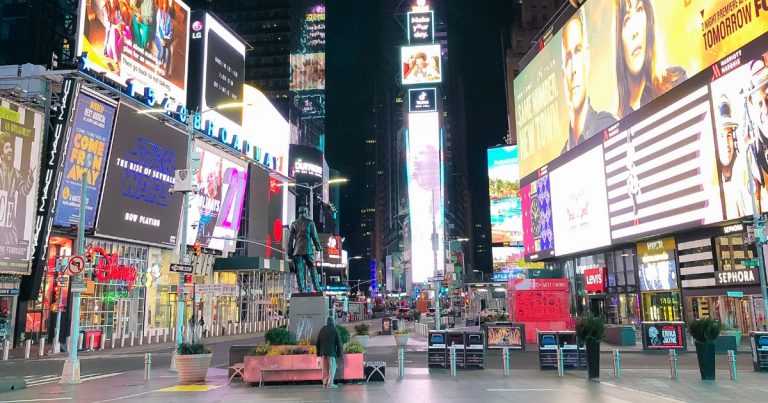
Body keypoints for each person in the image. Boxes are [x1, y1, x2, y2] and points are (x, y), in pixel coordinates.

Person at [614, 0, 686, 119]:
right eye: (626, 20)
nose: (635, 32)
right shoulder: (616, 121)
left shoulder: (677, 80)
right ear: (619, 43)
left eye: (639, 10)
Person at [560, 9, 616, 154]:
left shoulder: (608, 125)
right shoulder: (562, 154)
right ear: (563, 73)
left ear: (587, 57)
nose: (573, 69)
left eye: (577, 51)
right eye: (567, 57)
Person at [717, 94, 751, 218]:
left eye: (729, 135)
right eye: (722, 136)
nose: (727, 143)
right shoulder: (712, 184)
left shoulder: (745, 173)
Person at [0, 131, 36, 246]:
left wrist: (30, 178)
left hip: (9, 219)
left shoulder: (15, 173)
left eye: (10, 147)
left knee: (13, 245)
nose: (10, 150)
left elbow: (23, 191)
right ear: (1, 153)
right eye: (6, 147)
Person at [287, 205, 323, 292]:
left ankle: (301, 290)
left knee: (299, 271)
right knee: (312, 268)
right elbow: (315, 237)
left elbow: (290, 240)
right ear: (306, 212)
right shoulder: (310, 223)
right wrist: (318, 247)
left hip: (297, 250)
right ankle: (317, 289)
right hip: (307, 249)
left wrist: (290, 252)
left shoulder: (294, 224)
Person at [315, 316, 342, 388]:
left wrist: (318, 354)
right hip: (331, 353)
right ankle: (330, 383)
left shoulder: (322, 329)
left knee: (325, 368)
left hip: (323, 353)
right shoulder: (335, 329)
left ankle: (325, 383)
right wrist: (339, 353)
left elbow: (317, 343)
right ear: (333, 322)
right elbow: (339, 343)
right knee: (332, 368)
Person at [154, 0, 173, 74]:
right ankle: (157, 66)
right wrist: (161, 39)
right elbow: (158, 28)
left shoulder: (168, 16)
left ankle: (164, 68)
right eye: (164, 4)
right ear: (162, 4)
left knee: (167, 51)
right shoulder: (159, 12)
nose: (165, 5)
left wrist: (168, 35)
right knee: (161, 50)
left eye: (166, 4)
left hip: (165, 38)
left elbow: (169, 30)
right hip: (158, 36)